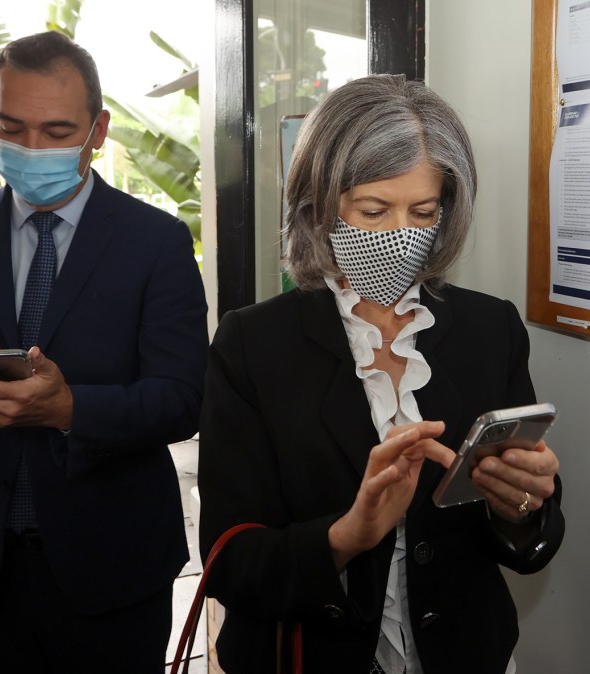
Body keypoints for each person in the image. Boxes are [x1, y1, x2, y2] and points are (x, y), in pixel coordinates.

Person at [198, 74, 565, 674]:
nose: (399, 235)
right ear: (320, 203)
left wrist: (524, 501)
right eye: (374, 210)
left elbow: (528, 541)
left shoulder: (489, 329)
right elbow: (228, 561)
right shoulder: (253, 343)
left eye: (422, 212)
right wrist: (346, 535)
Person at [0, 31, 208, 672]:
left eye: (57, 131)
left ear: (98, 130)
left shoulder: (154, 242)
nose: (32, 149)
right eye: (12, 128)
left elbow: (183, 399)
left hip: (111, 556)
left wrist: (69, 408)